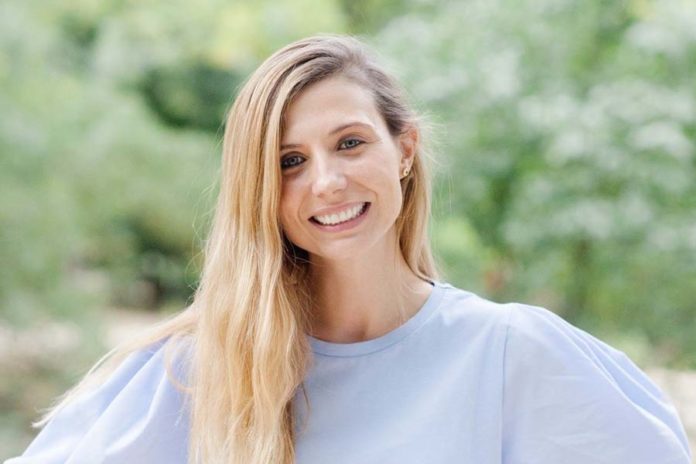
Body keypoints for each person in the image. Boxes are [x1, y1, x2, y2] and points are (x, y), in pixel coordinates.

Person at [5, 34, 692, 464]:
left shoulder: (514, 355)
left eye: (350, 143)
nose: (327, 182)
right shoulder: (191, 373)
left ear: (404, 150)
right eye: (289, 161)